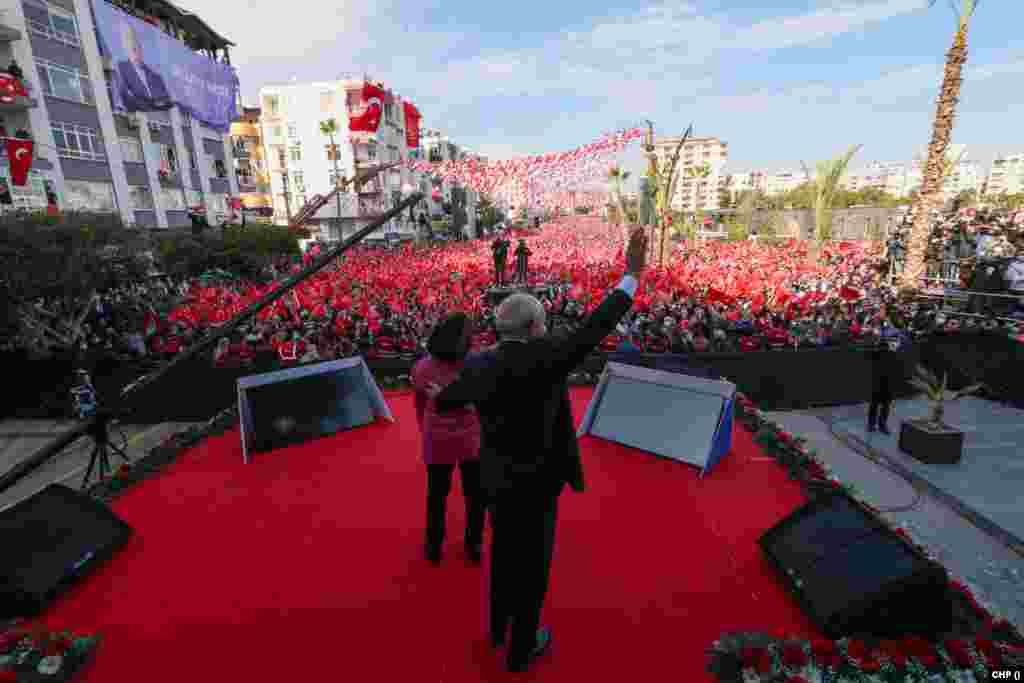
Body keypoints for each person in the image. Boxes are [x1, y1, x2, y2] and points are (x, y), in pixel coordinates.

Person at [426, 228, 648, 673]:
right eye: (544, 323)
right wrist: (632, 275)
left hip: (495, 480)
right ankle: (522, 649)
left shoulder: (479, 362)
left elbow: (451, 396)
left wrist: (439, 395)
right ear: (533, 329)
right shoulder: (547, 356)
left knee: (504, 557)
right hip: (539, 482)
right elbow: (596, 326)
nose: (547, 329)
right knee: (533, 567)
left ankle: (497, 630)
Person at [411, 314, 485, 565]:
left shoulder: (422, 368)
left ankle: (433, 546)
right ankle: (473, 544)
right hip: (472, 438)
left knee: (437, 495)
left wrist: (425, 427)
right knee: (475, 495)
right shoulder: (475, 364)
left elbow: (420, 403)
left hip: (437, 437)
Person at [115, 21, 171, 111]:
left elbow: (167, 102)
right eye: (133, 48)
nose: (137, 53)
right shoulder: (121, 68)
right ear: (125, 49)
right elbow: (121, 98)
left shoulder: (156, 77)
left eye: (139, 47)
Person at [868, 336, 900, 434]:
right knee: (884, 406)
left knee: (875, 405)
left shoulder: (876, 353)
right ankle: (881, 425)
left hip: (879, 384)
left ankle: (872, 425)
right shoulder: (892, 354)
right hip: (885, 384)